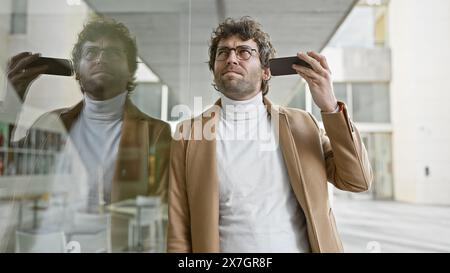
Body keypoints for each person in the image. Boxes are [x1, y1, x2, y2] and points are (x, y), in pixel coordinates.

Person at [167, 17, 373, 253]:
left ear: (266, 71)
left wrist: (330, 108)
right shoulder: (189, 136)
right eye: (223, 53)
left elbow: (357, 180)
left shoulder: (302, 125)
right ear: (214, 68)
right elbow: (178, 226)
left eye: (244, 52)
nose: (231, 58)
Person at [6, 18, 171, 251]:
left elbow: (160, 215)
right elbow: (5, 166)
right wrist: (13, 102)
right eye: (91, 52)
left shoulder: (155, 133)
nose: (101, 59)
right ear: (77, 69)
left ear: (129, 70)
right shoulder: (51, 123)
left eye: (113, 53)